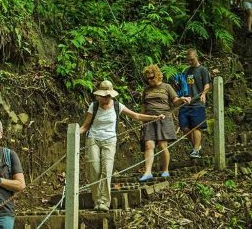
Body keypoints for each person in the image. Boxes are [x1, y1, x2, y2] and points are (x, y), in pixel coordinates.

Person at [79, 80, 164, 211]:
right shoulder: (94, 106)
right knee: (94, 170)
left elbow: (136, 115)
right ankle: (96, 200)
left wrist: (154, 117)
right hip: (93, 139)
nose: (105, 98)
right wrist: (74, 134)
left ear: (111, 95)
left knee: (106, 170)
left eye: (107, 96)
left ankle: (104, 202)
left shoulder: (117, 106)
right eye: (103, 96)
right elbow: (85, 126)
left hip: (110, 140)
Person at [139, 65, 191, 182]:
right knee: (149, 145)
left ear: (157, 75)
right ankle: (148, 172)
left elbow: (175, 101)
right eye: (147, 78)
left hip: (164, 118)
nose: (150, 80)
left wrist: (182, 99)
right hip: (149, 119)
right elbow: (143, 106)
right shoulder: (146, 90)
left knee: (162, 146)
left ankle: (165, 170)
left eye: (151, 77)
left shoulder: (167, 87)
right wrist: (142, 121)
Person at [178, 49, 211, 158]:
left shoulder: (203, 70)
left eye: (192, 59)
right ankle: (196, 146)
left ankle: (196, 150)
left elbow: (207, 85)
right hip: (186, 103)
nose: (190, 62)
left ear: (197, 57)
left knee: (196, 127)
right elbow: (182, 85)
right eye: (188, 60)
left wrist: (204, 94)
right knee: (184, 127)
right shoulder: (186, 71)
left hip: (197, 103)